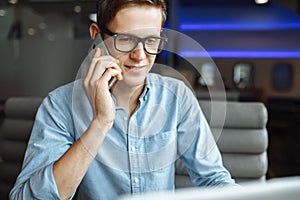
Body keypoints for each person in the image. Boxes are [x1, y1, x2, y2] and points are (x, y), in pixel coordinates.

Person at [10, 0, 237, 199]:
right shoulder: (59, 105)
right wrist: (101, 123)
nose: (140, 56)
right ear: (96, 34)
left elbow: (214, 179)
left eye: (152, 40)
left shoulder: (176, 96)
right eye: (126, 39)